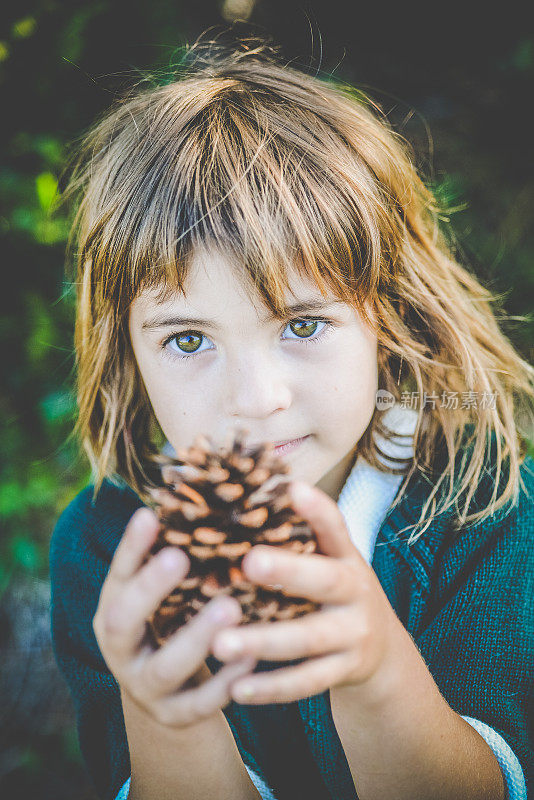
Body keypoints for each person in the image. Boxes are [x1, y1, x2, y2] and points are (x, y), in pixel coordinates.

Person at [49, 34, 534, 800]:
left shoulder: (489, 510)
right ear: (127, 355)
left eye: (302, 325)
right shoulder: (106, 550)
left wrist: (376, 673)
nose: (254, 397)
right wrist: (164, 716)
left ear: (389, 314)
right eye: (186, 339)